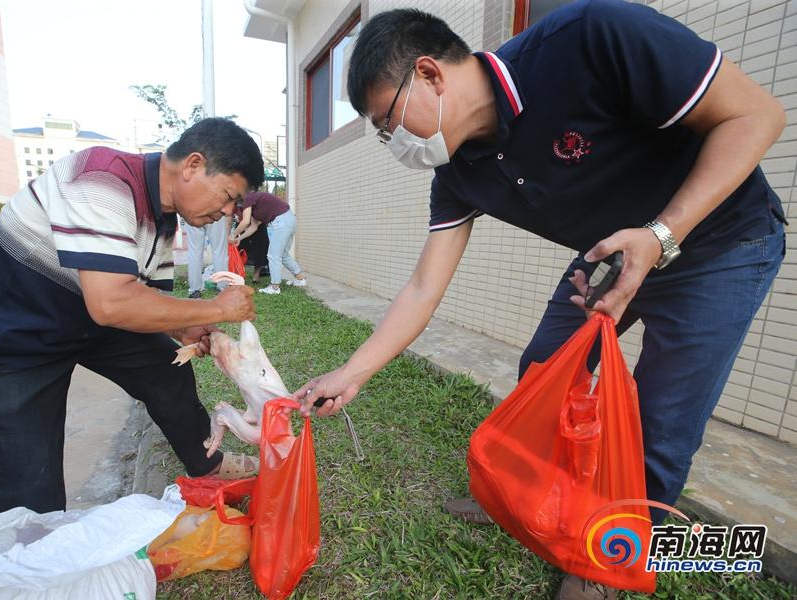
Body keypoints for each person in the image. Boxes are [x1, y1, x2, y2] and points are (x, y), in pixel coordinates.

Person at [296, 3, 786, 599]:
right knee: (546, 366)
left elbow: (755, 114)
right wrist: (351, 373)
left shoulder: (590, 38)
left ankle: (611, 561)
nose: (391, 143)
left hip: (720, 241)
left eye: (387, 122)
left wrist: (661, 236)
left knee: (661, 421)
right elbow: (424, 287)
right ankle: (526, 497)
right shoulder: (457, 172)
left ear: (428, 74)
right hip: (613, 249)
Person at [0, 118, 265, 516]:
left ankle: (206, 462)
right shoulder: (103, 179)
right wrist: (217, 308)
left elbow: (138, 299)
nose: (227, 211)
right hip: (8, 330)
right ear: (193, 165)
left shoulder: (162, 216)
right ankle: (22, 568)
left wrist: (186, 326)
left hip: (81, 314)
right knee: (29, 488)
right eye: (228, 196)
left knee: (166, 368)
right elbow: (111, 304)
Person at [233, 190, 307, 295]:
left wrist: (232, 235)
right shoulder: (256, 205)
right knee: (283, 254)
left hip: (281, 221)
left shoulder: (248, 197)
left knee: (273, 256)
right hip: (289, 219)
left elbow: (245, 222)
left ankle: (274, 287)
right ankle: (301, 279)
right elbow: (254, 226)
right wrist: (239, 238)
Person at [183, 216, 231, 298]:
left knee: (194, 251)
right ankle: (222, 286)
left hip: (193, 211)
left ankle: (195, 289)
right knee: (219, 250)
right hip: (215, 210)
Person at [231, 205, 270, 284]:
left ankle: (256, 275)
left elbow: (255, 225)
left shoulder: (257, 205)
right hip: (241, 225)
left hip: (258, 225)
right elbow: (232, 219)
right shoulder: (235, 204)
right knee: (239, 249)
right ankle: (239, 273)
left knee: (260, 249)